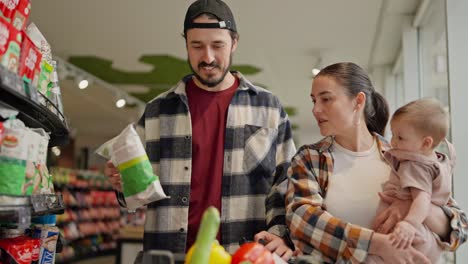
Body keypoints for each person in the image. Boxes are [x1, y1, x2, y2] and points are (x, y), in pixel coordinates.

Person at [104, 0, 297, 261]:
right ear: (186, 45)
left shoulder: (269, 108)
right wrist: (121, 182)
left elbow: (285, 185)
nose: (207, 57)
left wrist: (279, 235)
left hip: (244, 255)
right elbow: (135, 194)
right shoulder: (158, 111)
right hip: (170, 255)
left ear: (234, 42)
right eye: (197, 46)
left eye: (217, 45)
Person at [285, 62, 467, 263]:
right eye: (313, 101)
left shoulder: (402, 155)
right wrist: (377, 244)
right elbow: (302, 219)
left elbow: (460, 229)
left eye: (326, 99)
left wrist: (409, 204)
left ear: (358, 101)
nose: (316, 109)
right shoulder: (309, 159)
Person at [364, 98, 456, 263]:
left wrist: (409, 224)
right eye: (392, 134)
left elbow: (422, 199)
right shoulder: (437, 160)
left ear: (426, 143)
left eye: (400, 137)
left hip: (411, 234)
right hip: (428, 237)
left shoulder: (414, 165)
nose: (392, 142)